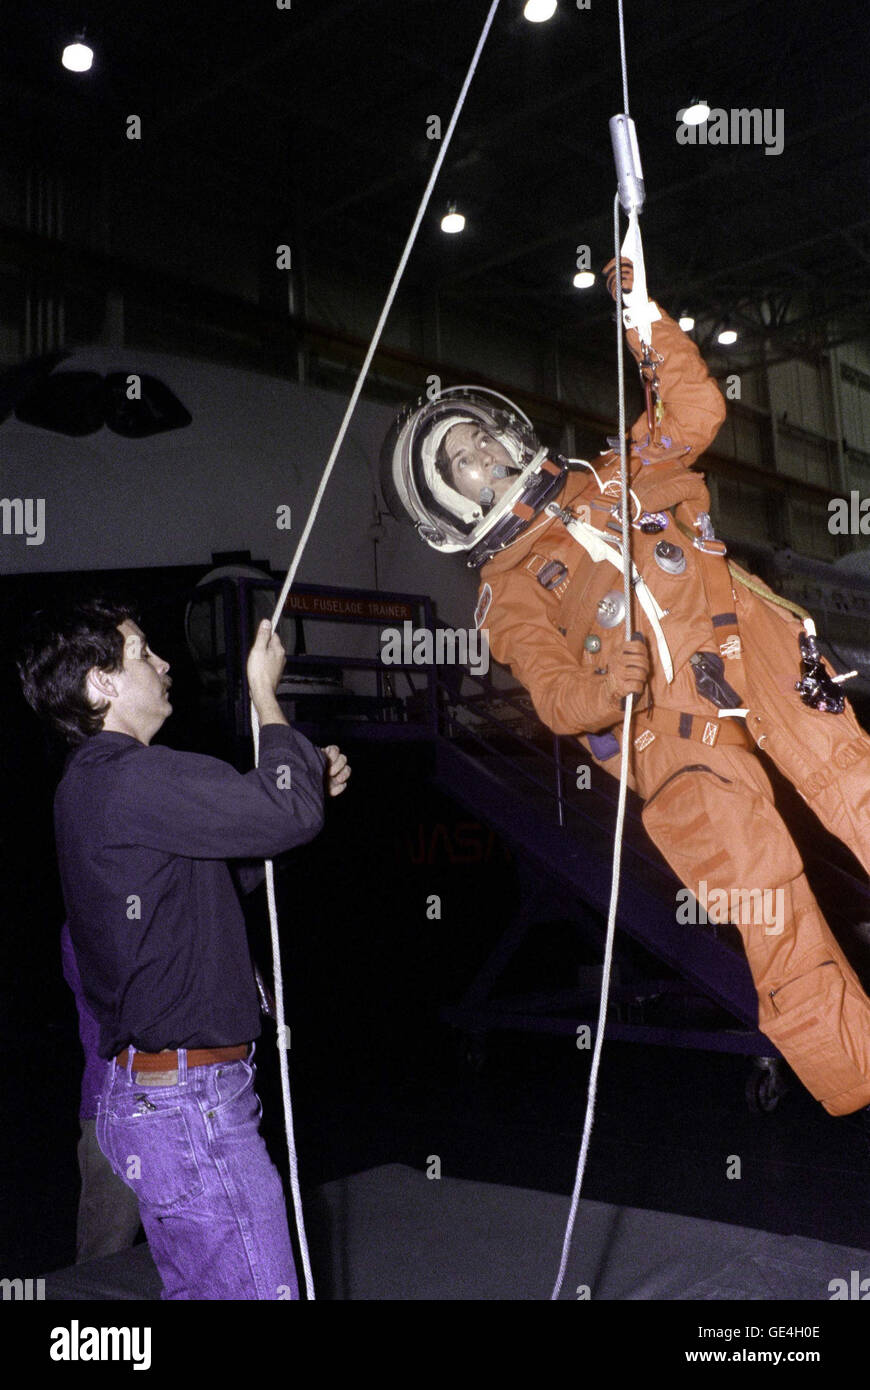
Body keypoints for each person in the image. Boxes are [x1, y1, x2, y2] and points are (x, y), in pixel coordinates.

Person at [382, 258, 870, 1128]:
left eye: (478, 437)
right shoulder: (509, 593)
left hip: (748, 644)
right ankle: (859, 1074)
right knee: (766, 896)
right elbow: (558, 699)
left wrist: (641, 314)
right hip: (668, 729)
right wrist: (611, 685)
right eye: (458, 461)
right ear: (448, 504)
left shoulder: (615, 473)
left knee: (857, 786)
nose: (480, 455)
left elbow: (696, 411)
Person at [18, 599, 350, 1299]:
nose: (164, 663)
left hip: (160, 1102)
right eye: (142, 654)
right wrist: (266, 695)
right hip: (189, 1105)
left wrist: (299, 788)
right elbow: (283, 816)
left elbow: (233, 867)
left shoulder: (93, 783)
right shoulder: (135, 776)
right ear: (101, 684)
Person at [60, 920, 142, 1264]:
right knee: (106, 1253)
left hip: (182, 1105)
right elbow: (122, 1006)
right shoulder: (83, 926)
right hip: (112, 1111)